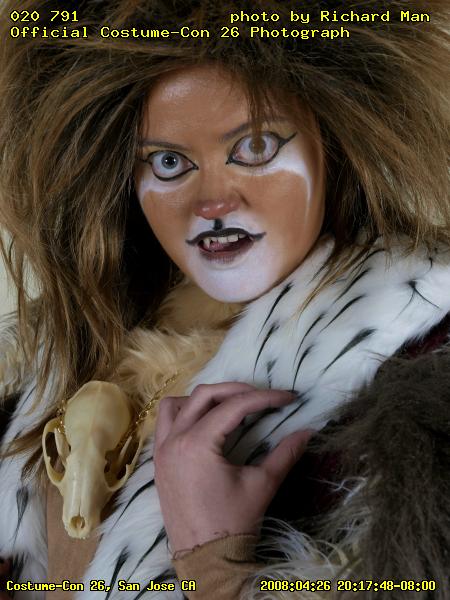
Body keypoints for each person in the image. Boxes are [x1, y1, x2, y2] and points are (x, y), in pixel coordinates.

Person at [0, 0, 449, 599]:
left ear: (334, 146)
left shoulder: (425, 367)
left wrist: (218, 569)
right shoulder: (57, 356)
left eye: (255, 147)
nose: (212, 201)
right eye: (170, 162)